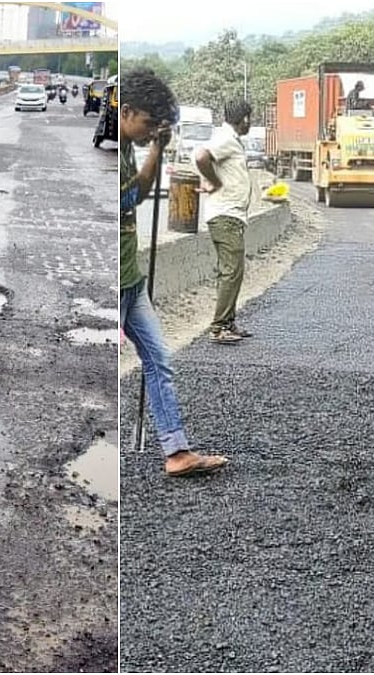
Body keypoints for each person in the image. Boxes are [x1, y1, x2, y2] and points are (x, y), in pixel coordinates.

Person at [120, 67, 229, 477]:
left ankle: (176, 451)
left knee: (158, 360)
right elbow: (130, 196)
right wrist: (155, 151)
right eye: (148, 124)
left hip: (132, 281)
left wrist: (156, 147)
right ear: (127, 111)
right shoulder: (120, 150)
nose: (151, 133)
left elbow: (139, 195)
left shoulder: (133, 145)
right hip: (117, 281)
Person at [194, 99, 256, 344]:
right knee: (231, 272)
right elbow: (201, 156)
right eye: (250, 118)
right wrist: (215, 182)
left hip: (230, 216)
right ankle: (219, 327)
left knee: (232, 272)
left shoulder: (230, 139)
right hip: (226, 216)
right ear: (245, 119)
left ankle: (228, 322)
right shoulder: (226, 139)